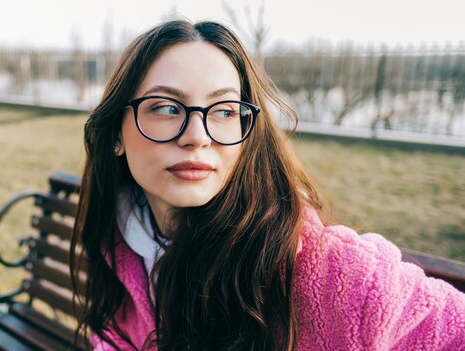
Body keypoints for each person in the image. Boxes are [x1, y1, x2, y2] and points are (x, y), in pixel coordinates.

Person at [70, 19, 465, 350]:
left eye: (224, 110)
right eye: (166, 107)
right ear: (115, 135)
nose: (197, 136)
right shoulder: (121, 245)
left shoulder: (334, 274)